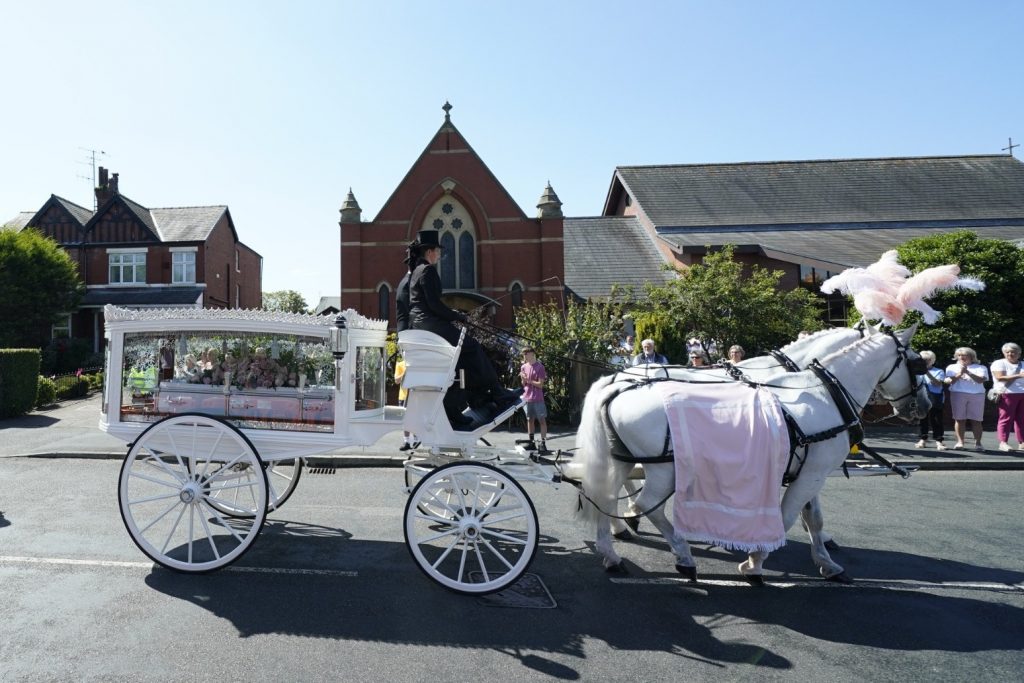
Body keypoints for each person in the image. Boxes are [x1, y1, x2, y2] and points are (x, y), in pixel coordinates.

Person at [407, 229, 520, 427]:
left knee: (459, 361)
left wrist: (453, 314)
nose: (440, 255)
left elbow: (429, 304)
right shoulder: (427, 271)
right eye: (438, 251)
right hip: (432, 324)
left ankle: (475, 400)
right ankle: (498, 393)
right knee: (472, 347)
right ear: (430, 252)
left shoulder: (417, 271)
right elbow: (434, 305)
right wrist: (457, 316)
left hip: (424, 324)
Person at [944, 346, 989, 451]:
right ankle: (960, 442)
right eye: (959, 355)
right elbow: (950, 381)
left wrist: (968, 372)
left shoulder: (980, 367)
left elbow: (980, 380)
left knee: (977, 420)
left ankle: (978, 443)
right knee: (959, 419)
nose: (961, 357)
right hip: (958, 394)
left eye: (964, 355)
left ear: (971, 357)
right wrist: (960, 373)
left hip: (977, 395)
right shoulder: (951, 367)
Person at [990, 342, 1024, 452]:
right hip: (1007, 393)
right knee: (1006, 419)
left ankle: (1022, 442)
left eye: (1013, 352)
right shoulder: (999, 363)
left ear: (1019, 353)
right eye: (1007, 352)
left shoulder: (1023, 364)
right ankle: (1003, 442)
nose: (1010, 354)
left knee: (1022, 419)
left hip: (1022, 394)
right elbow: (999, 377)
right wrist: (1019, 375)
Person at [915, 350, 947, 450]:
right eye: (922, 360)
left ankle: (939, 441)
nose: (925, 362)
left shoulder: (939, 371)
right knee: (922, 419)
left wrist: (927, 372)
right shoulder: (916, 371)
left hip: (935, 398)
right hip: (921, 398)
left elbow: (937, 383)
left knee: (936, 420)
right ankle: (922, 439)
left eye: (927, 360)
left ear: (932, 360)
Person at [519, 347, 548, 453]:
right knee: (529, 420)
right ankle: (531, 443)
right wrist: (523, 379)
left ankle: (543, 443)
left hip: (537, 398)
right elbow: (523, 384)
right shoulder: (523, 367)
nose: (524, 356)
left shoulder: (540, 367)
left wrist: (528, 380)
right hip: (527, 398)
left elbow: (540, 385)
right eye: (523, 354)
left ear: (532, 354)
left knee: (542, 421)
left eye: (526, 354)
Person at [394, 353, 419, 451]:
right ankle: (406, 441)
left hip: (415, 396)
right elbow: (397, 381)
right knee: (405, 420)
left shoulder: (416, 365)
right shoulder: (400, 364)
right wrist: (405, 372)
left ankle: (416, 440)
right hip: (403, 396)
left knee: (415, 418)